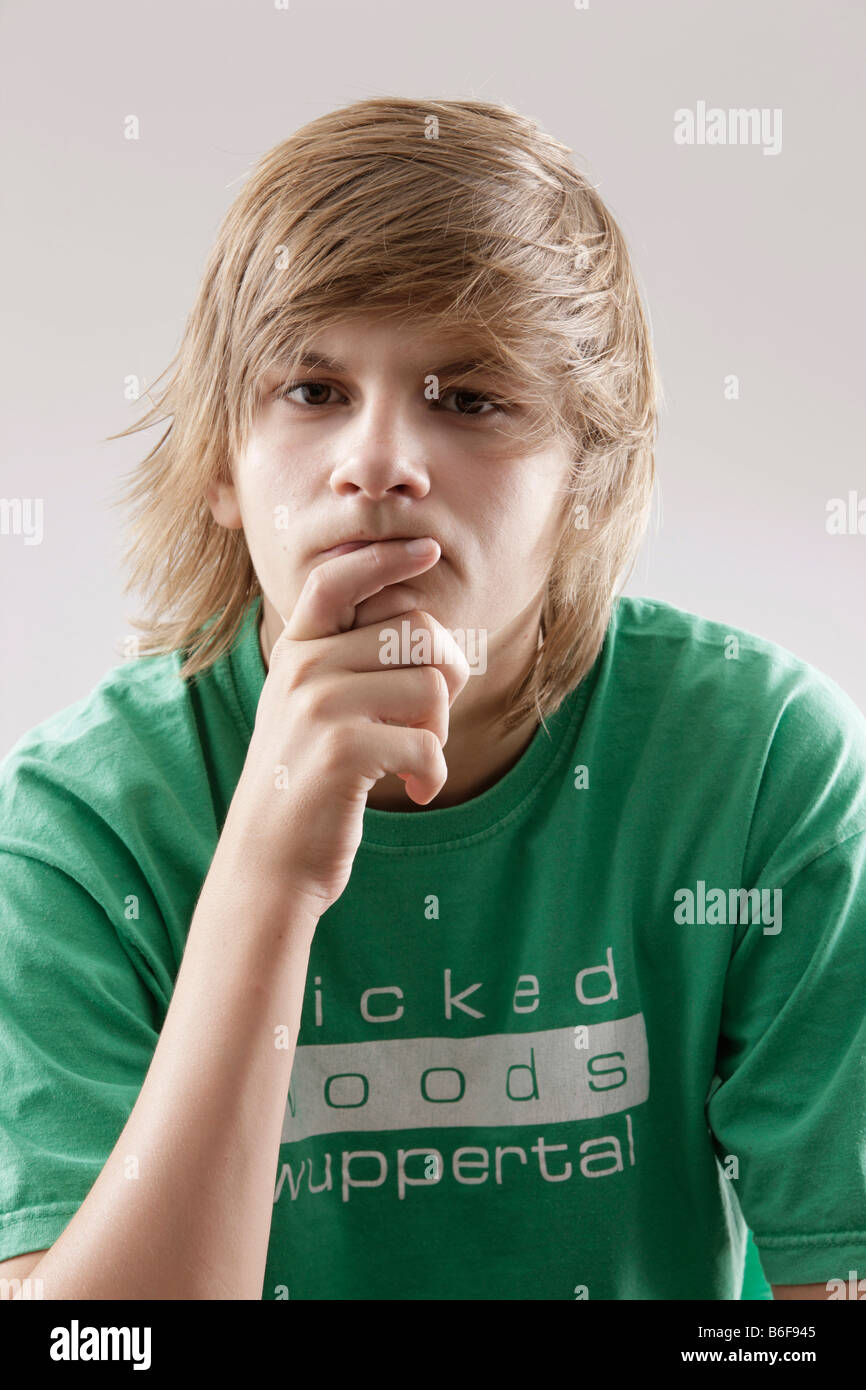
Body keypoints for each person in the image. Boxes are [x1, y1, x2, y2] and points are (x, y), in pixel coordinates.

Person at [1, 96, 864, 1302]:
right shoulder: (76, 824)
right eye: (310, 390)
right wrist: (265, 874)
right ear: (220, 467)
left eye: (467, 398)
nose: (379, 462)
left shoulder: (763, 762)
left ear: (583, 476)